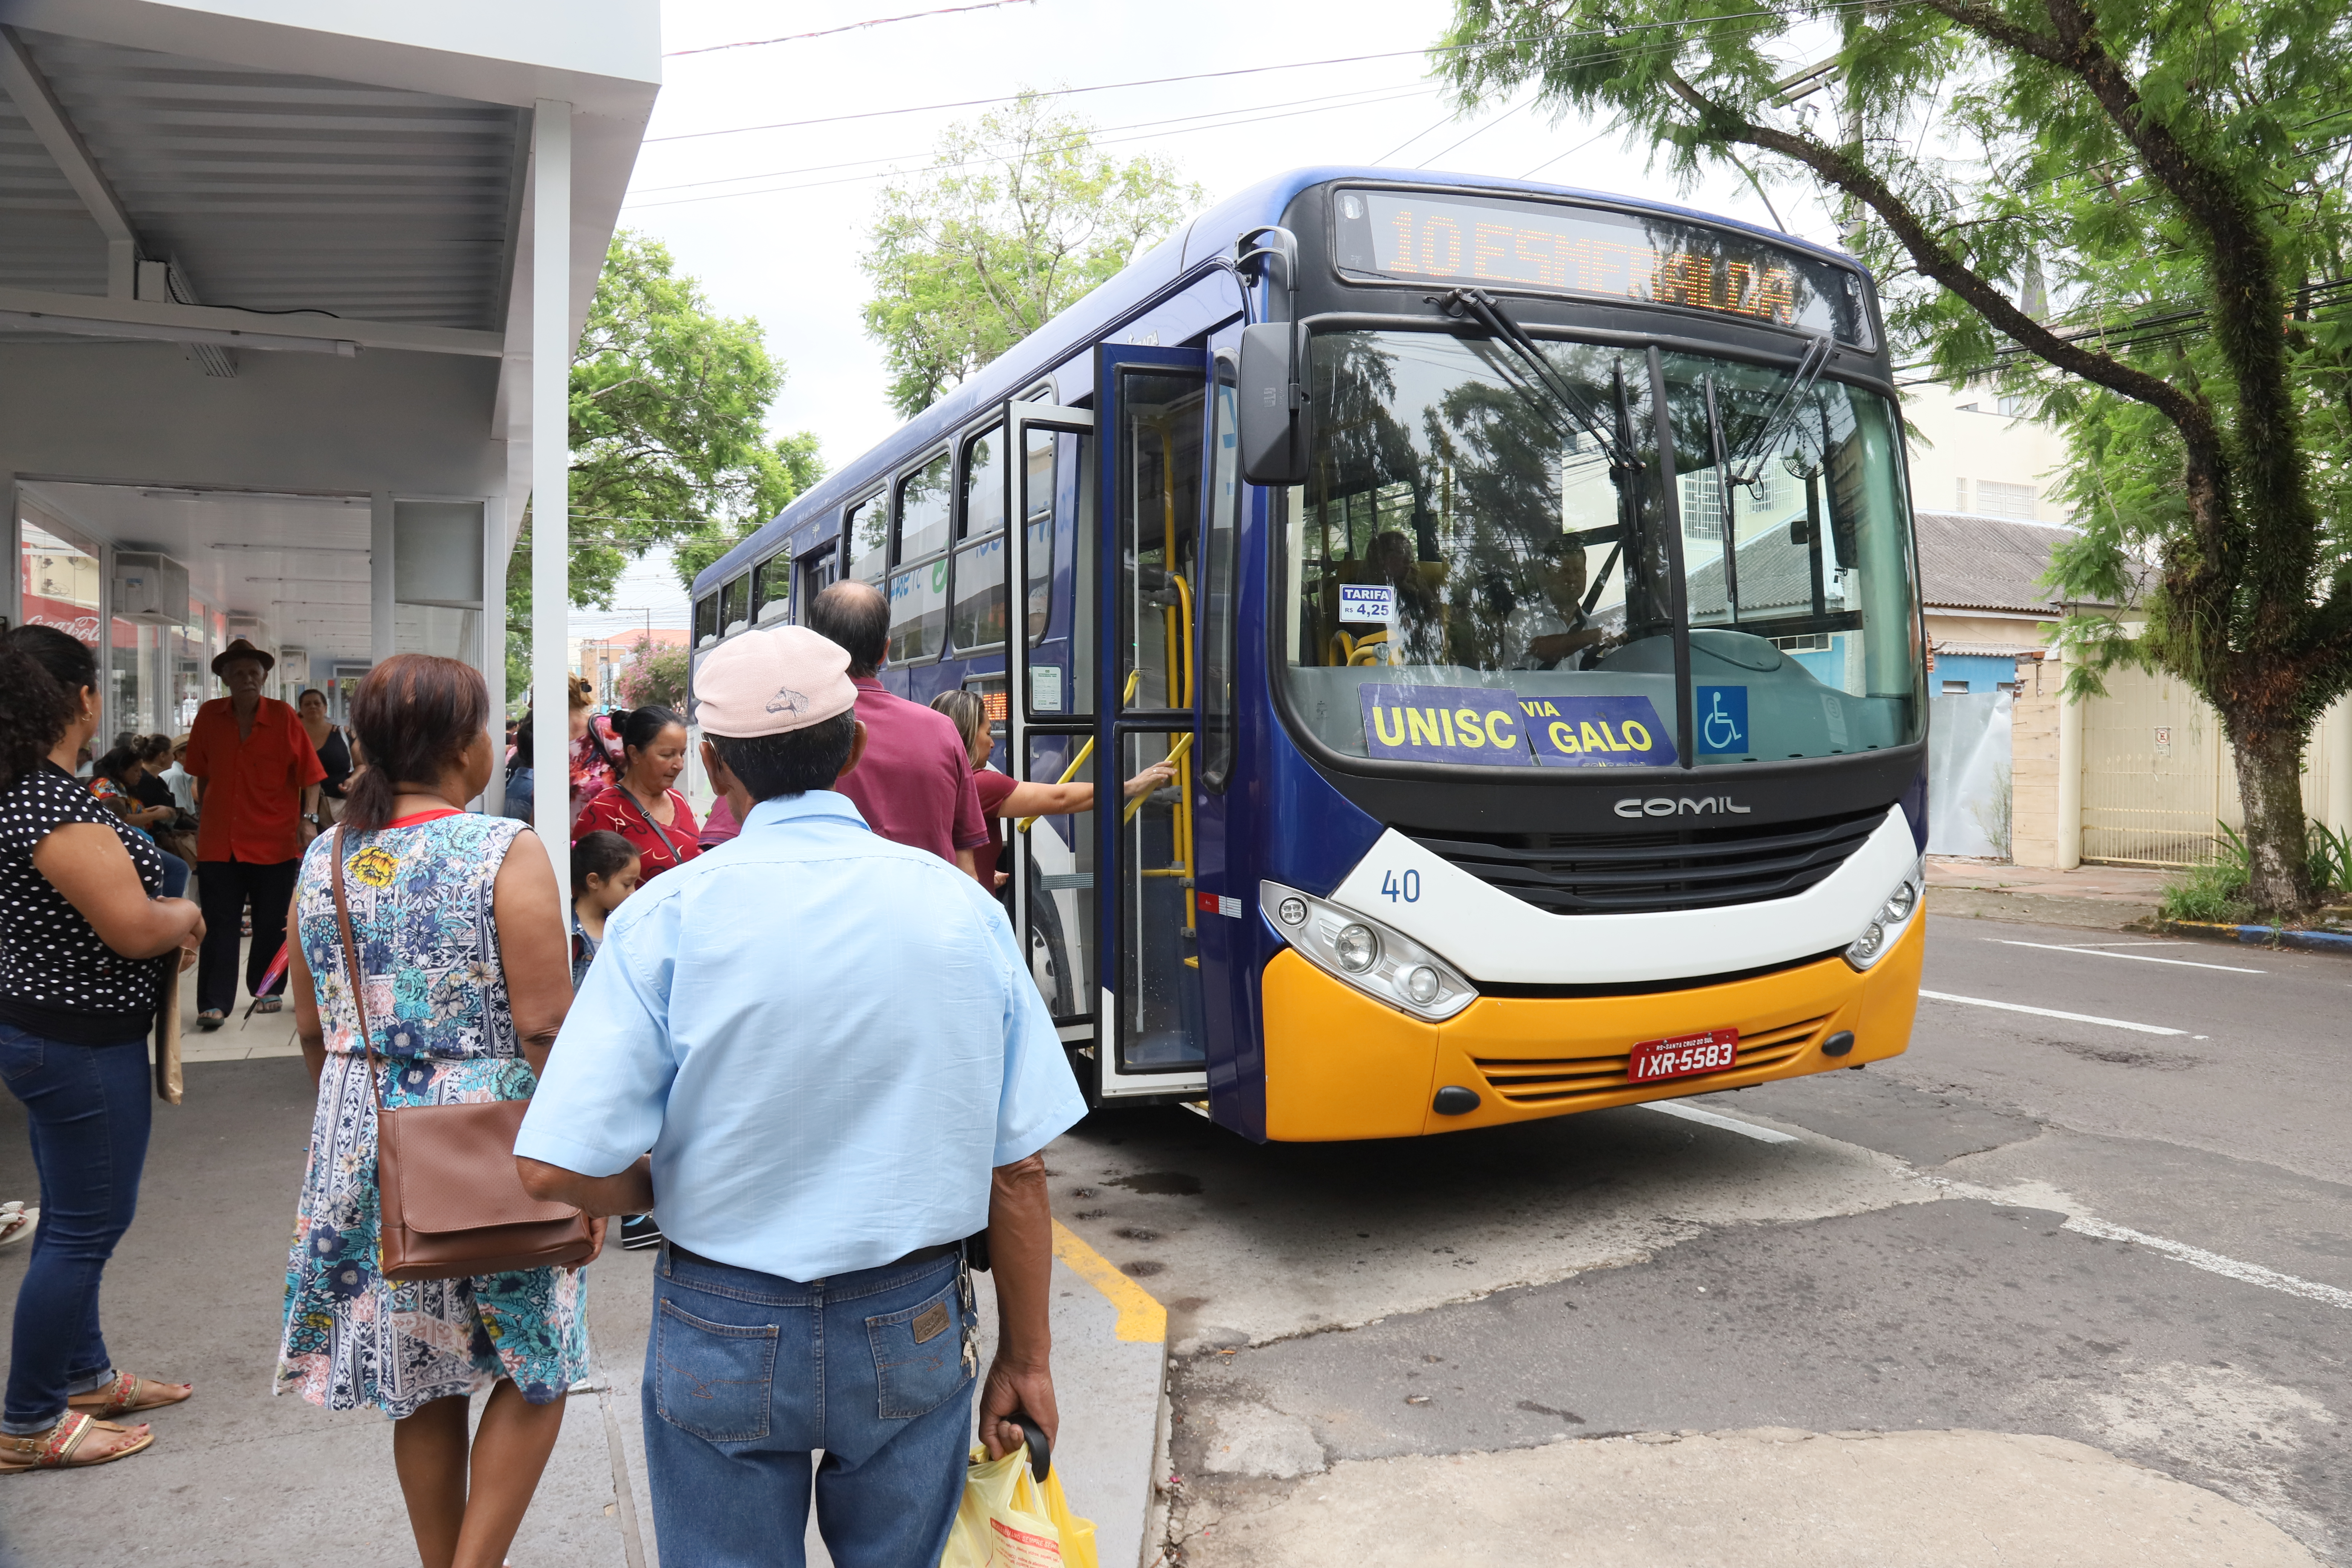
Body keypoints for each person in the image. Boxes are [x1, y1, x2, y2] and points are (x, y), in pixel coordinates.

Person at [513, 626, 1087, 1565]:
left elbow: (551, 1165)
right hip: (910, 1320)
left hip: (719, 1319)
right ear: (855, 745)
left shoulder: (663, 916)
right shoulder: (959, 910)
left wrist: (665, 1186)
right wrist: (1028, 1360)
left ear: (711, 763)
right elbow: (1017, 1170)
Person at [276, 652, 599, 1568]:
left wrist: (367, 1138)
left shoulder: (324, 857)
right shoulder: (504, 848)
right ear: (466, 745)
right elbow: (543, 1024)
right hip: (499, 1140)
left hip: (368, 1137)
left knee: (420, 1375)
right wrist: (586, 1165)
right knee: (538, 1365)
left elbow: (311, 1028)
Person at [0, 625, 201, 1473]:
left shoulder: (34, 791)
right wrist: (185, 918)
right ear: (82, 698)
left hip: (57, 1035)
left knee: (73, 1219)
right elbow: (128, 925)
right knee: (86, 1227)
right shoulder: (49, 802)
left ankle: (81, 1373)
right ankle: (28, 1419)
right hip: (78, 1044)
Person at [184, 639, 326, 1029]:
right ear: (225, 678)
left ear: (264, 677)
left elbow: (310, 775)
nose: (247, 679)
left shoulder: (282, 716)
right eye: (238, 673)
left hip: (274, 836)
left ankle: (267, 988)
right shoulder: (209, 715)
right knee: (218, 921)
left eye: (254, 672)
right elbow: (201, 772)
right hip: (218, 839)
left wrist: (308, 818)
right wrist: (205, 813)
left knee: (271, 919)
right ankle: (213, 1002)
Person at [804, 580, 988, 876]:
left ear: (814, 648)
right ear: (884, 651)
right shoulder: (942, 730)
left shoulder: (784, 732)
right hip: (927, 917)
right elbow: (966, 864)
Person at [928, 690, 1174, 892]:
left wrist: (978, 874)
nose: (993, 743)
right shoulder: (979, 785)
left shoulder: (937, 780)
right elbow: (1060, 799)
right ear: (969, 736)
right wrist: (1130, 786)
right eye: (989, 733)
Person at [572, 705, 701, 879]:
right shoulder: (603, 812)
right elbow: (586, 889)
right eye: (667, 755)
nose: (679, 765)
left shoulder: (677, 799)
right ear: (634, 754)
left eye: (682, 754)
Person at [87, 741, 190, 900]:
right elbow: (121, 819)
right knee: (176, 868)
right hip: (119, 844)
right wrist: (156, 815)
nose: (139, 775)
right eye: (135, 771)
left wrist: (150, 812)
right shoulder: (106, 786)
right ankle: (165, 913)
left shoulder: (119, 786)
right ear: (121, 770)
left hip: (133, 841)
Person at [570, 831, 640, 990]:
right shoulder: (565, 931)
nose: (633, 892)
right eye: (627, 884)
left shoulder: (625, 927)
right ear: (594, 881)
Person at [296, 689, 352, 827]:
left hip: (338, 809)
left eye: (317, 703)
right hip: (299, 811)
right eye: (308, 704)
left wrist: (353, 780)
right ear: (301, 710)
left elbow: (363, 765)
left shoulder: (342, 734)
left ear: (325, 708)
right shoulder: (292, 737)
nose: (313, 707)